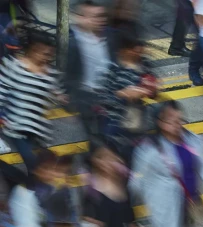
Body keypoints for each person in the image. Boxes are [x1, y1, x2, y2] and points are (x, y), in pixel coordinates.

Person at [0, 29, 65, 171]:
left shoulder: (51, 72)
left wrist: (61, 97)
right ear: (33, 50)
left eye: (50, 54)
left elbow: (57, 92)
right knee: (34, 166)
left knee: (46, 165)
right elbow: (1, 93)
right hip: (17, 129)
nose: (47, 58)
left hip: (41, 132)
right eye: (45, 53)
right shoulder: (14, 66)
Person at [100, 29, 157, 168]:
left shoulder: (144, 65)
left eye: (139, 51)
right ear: (124, 50)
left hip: (136, 124)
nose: (137, 54)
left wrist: (149, 89)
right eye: (134, 51)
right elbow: (103, 97)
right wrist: (122, 94)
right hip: (115, 125)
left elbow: (154, 92)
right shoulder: (113, 67)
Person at [65, 0, 115, 145]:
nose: (101, 20)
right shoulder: (73, 43)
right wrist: (72, 103)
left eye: (102, 16)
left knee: (107, 135)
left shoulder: (109, 37)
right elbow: (69, 74)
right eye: (95, 17)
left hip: (109, 95)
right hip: (87, 98)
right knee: (96, 139)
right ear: (82, 18)